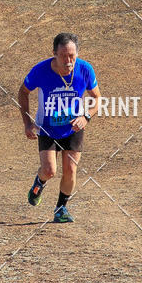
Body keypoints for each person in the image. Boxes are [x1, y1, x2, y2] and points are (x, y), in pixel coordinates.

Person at [18, 32, 100, 223]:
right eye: (63, 55)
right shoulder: (40, 71)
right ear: (54, 53)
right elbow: (23, 92)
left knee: (71, 170)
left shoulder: (85, 70)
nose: (68, 60)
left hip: (74, 128)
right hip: (47, 128)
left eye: (72, 55)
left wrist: (86, 117)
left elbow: (97, 99)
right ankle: (39, 183)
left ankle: (61, 209)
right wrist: (27, 123)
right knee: (49, 171)